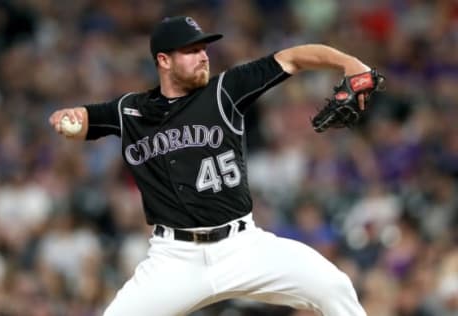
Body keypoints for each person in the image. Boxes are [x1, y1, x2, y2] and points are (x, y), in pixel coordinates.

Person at [49, 16, 370, 316]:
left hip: (243, 247)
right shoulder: (131, 111)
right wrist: (69, 117)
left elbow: (292, 58)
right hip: (174, 259)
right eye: (191, 51)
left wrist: (349, 63)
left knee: (334, 286)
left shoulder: (224, 91)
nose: (203, 56)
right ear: (164, 60)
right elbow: (84, 118)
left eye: (203, 48)